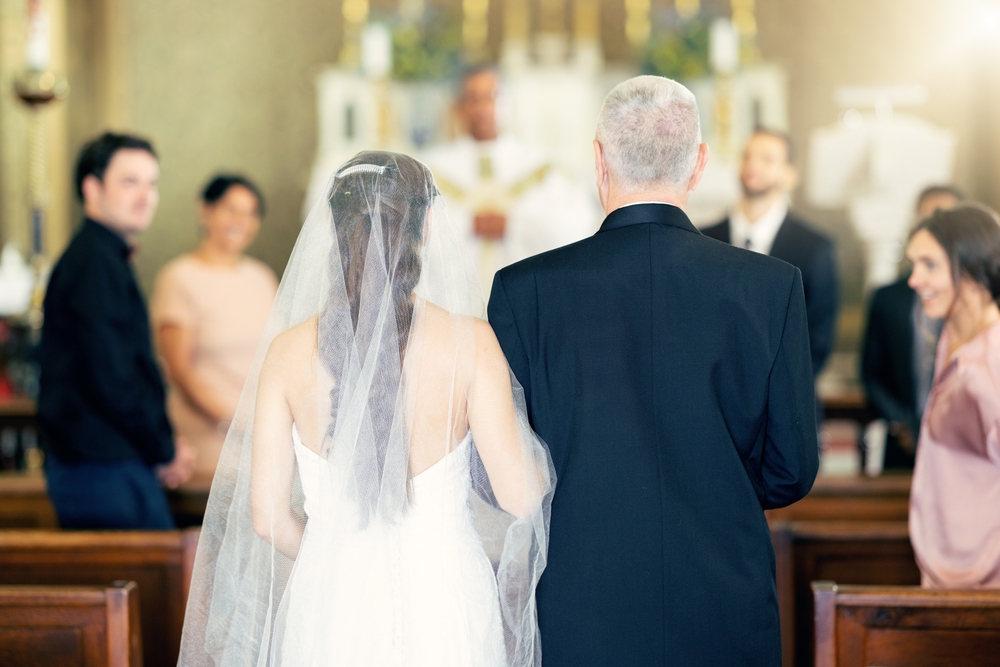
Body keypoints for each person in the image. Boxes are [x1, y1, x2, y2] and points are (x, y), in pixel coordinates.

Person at [488, 76, 818, 666]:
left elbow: (503, 469)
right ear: (699, 164)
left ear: (598, 158)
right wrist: (715, 488)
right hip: (723, 596)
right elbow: (792, 468)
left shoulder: (524, 291)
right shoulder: (771, 286)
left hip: (580, 598)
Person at [178, 151, 554, 666]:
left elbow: (265, 517)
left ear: (333, 233)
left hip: (331, 597)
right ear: (423, 234)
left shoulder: (287, 352)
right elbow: (520, 496)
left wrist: (338, 548)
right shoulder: (472, 344)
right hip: (445, 596)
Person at [37, 132, 194, 529]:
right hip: (101, 467)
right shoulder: (94, 264)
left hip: (109, 462)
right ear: (92, 188)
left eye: (152, 183)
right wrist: (164, 448)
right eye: (130, 182)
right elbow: (113, 378)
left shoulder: (103, 257)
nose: (146, 196)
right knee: (149, 590)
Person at [422, 66, 599, 296]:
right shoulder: (430, 168)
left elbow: (574, 226)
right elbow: (412, 234)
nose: (483, 108)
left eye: (492, 97)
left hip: (525, 296)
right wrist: (469, 224)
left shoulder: (543, 167)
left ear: (509, 103)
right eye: (473, 98)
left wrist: (512, 226)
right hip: (453, 301)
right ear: (459, 106)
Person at [151, 175, 277, 479]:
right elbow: (179, 370)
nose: (241, 221)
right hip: (207, 437)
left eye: (251, 213)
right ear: (206, 211)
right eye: (231, 210)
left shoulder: (262, 278)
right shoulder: (180, 277)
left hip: (260, 433)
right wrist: (230, 422)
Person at [907, 204, 1000, 589]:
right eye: (913, 264)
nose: (914, 279)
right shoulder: (949, 334)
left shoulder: (990, 361)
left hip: (985, 578)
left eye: (930, 265)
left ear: (972, 266)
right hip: (947, 564)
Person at [702, 129, 839, 378]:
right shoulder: (701, 240)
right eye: (747, 156)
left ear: (790, 175)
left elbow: (818, 339)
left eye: (767, 158)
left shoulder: (814, 247)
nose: (753, 165)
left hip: (787, 402)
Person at [861, 185, 965, 469]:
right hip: (903, 444)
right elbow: (871, 373)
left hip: (966, 447)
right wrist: (904, 423)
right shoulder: (888, 297)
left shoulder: (981, 302)